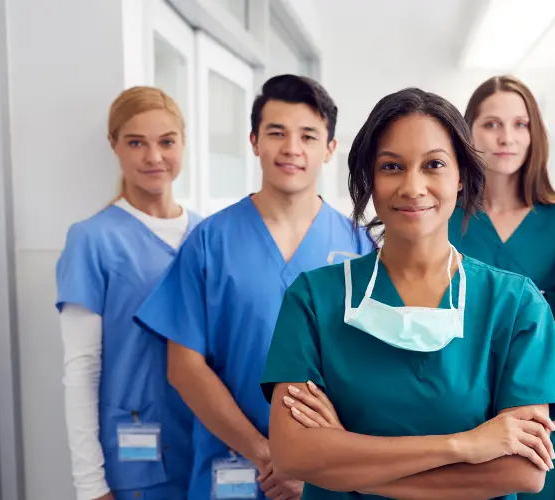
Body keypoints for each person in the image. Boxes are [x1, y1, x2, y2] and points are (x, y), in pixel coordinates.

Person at [258, 87, 555, 500]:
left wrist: (347, 461)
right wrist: (463, 445)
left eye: (434, 165)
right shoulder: (314, 300)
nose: (413, 186)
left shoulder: (516, 305)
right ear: (368, 178)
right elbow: (293, 455)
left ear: (461, 176)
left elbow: (523, 471)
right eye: (391, 166)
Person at [134, 74, 374, 500]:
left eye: (308, 135)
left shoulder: (359, 247)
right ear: (254, 141)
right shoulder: (211, 241)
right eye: (276, 133)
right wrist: (266, 455)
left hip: (328, 476)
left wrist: (313, 464)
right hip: (233, 468)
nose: (291, 149)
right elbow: (184, 368)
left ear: (330, 149)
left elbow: (370, 372)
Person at [56, 86, 200, 500]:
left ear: (183, 143)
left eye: (166, 142)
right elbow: (82, 369)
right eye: (136, 142)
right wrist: (89, 483)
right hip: (135, 461)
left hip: (213, 451)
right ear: (114, 145)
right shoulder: (91, 239)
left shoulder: (208, 234)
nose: (154, 157)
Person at [449, 75, 555, 500]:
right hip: (456, 422)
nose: (506, 137)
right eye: (491, 124)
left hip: (538, 427)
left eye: (520, 124)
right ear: (468, 132)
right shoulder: (445, 220)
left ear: (535, 133)